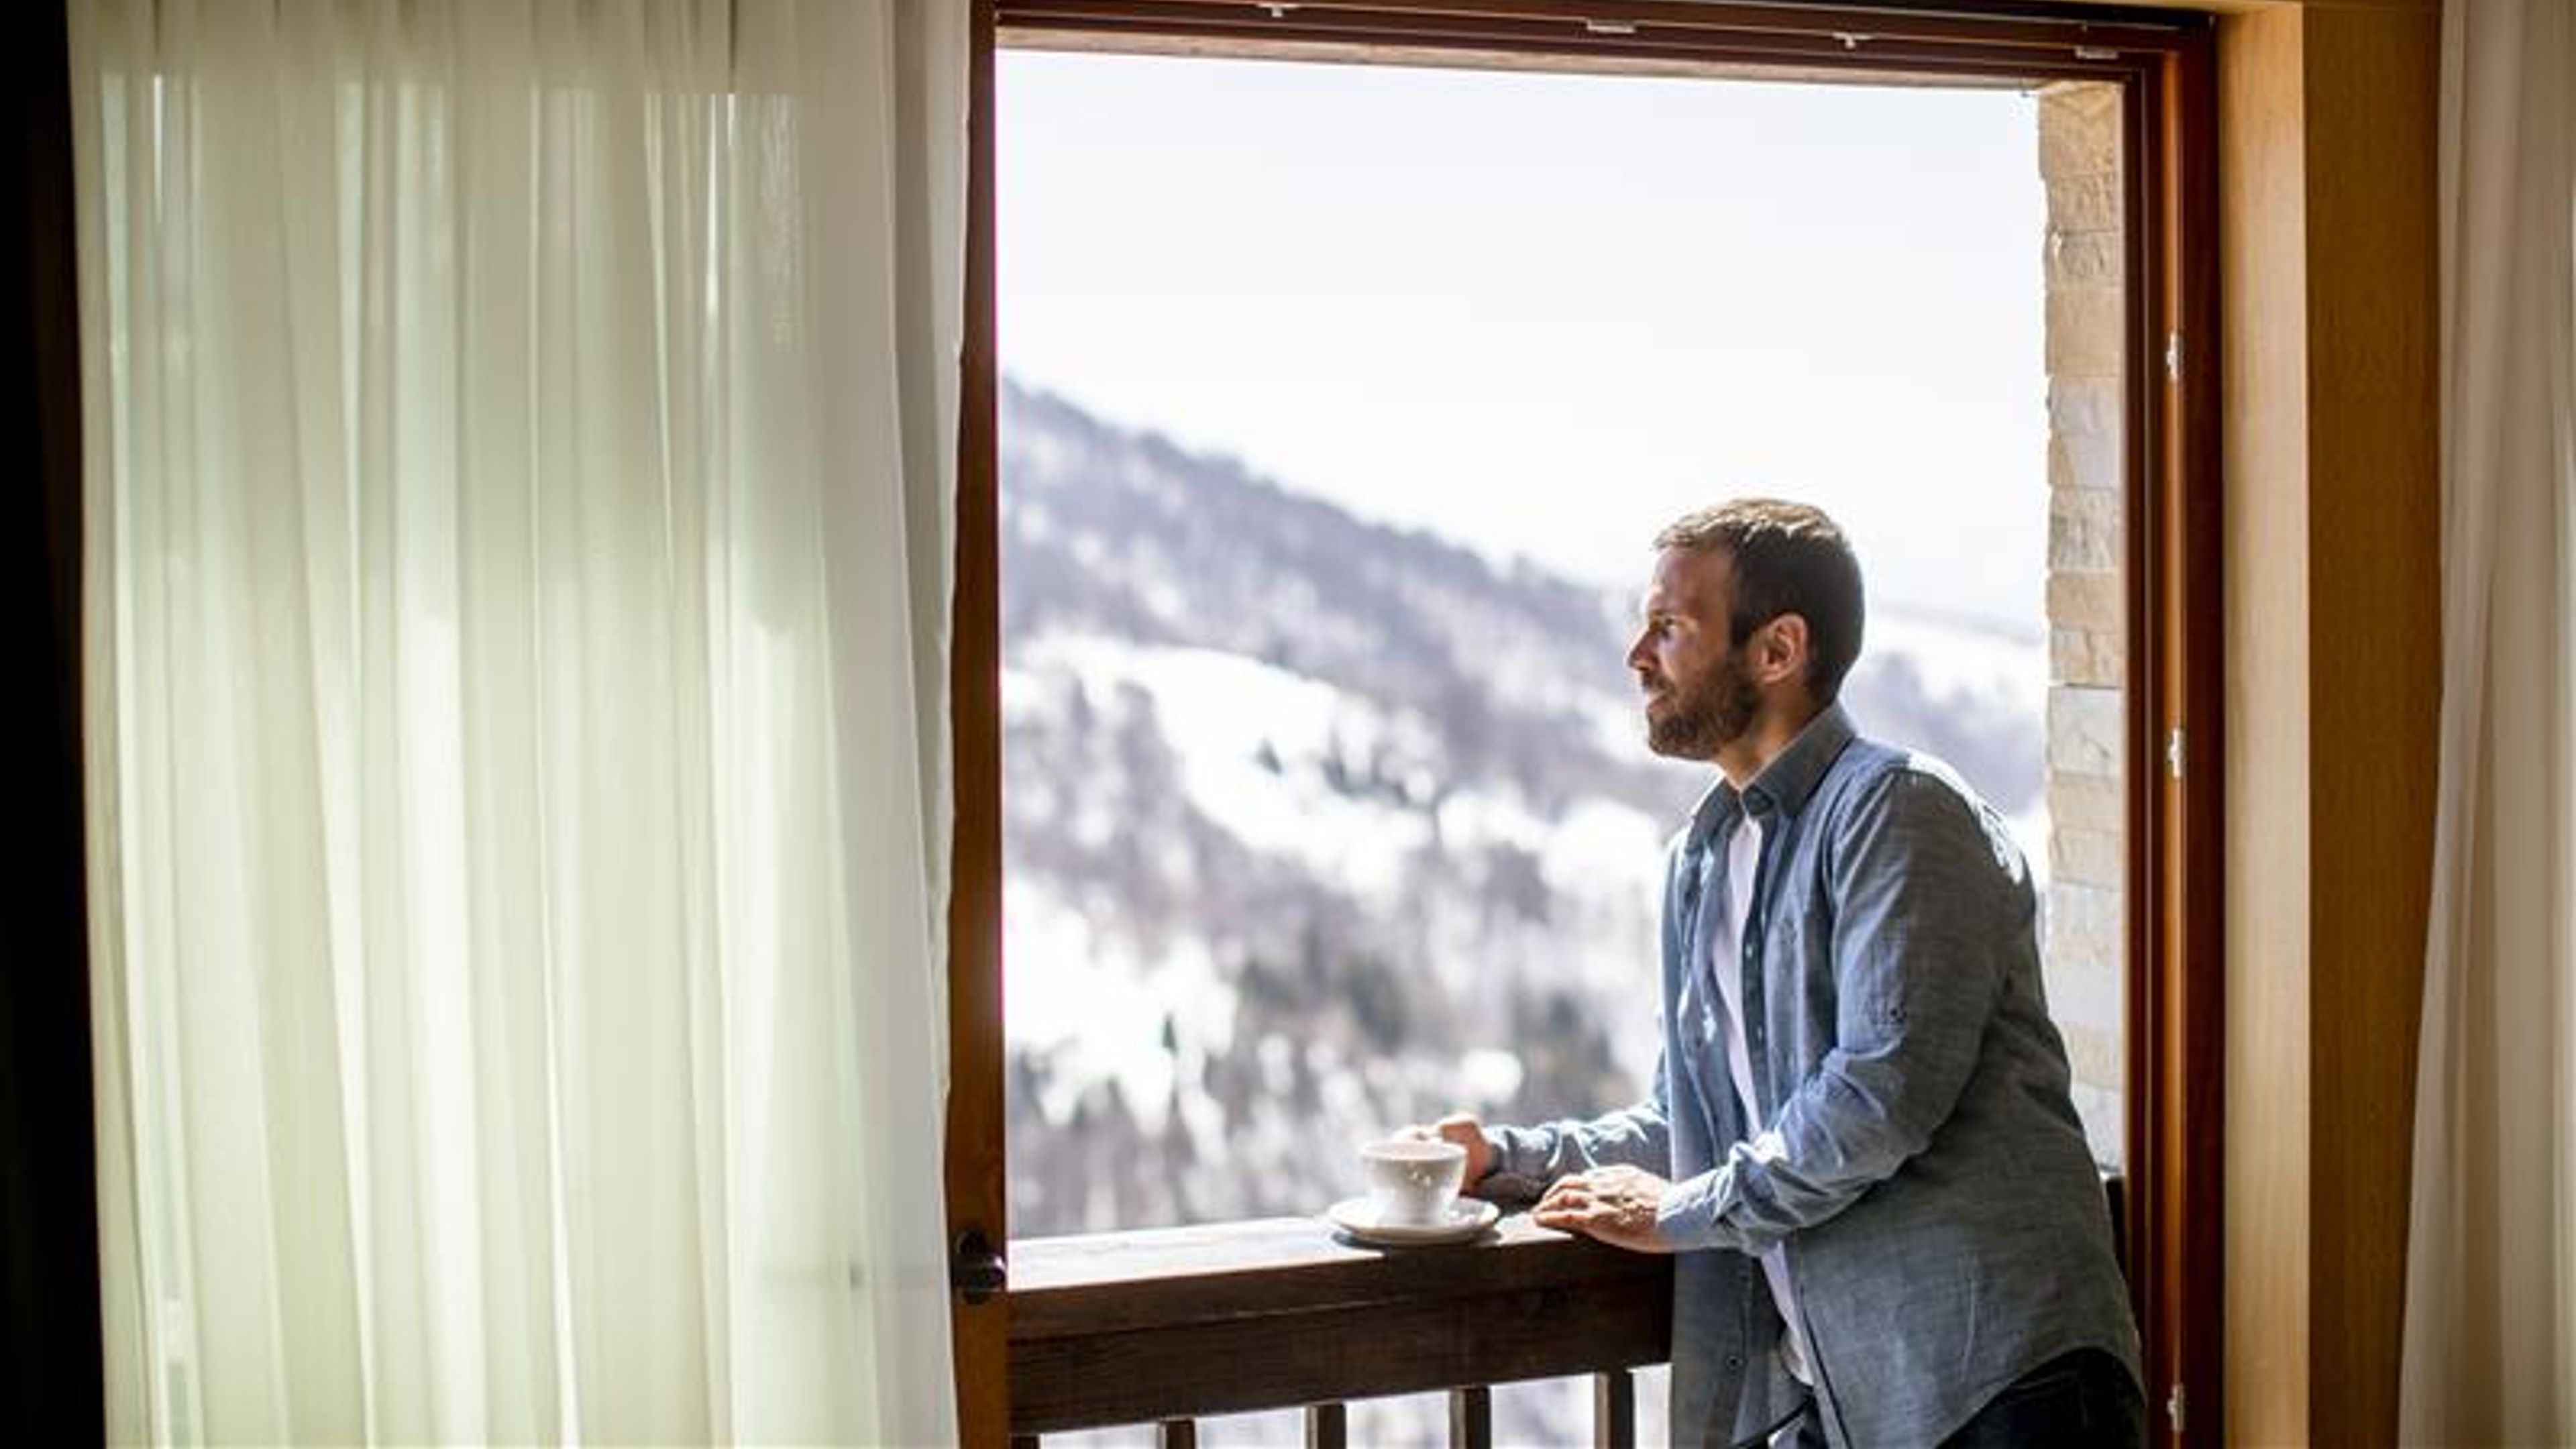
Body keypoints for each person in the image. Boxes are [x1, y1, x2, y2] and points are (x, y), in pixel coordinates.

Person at [1415, 500, 2143, 1448]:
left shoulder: (1897, 813)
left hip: (2002, 1385)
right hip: (1853, 1405)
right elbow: (1698, 1121)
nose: (1638, 654)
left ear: (1777, 649)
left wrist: (1679, 1212)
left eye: (1671, 626)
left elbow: (1880, 1096)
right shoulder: (1700, 863)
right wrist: (1505, 1160)